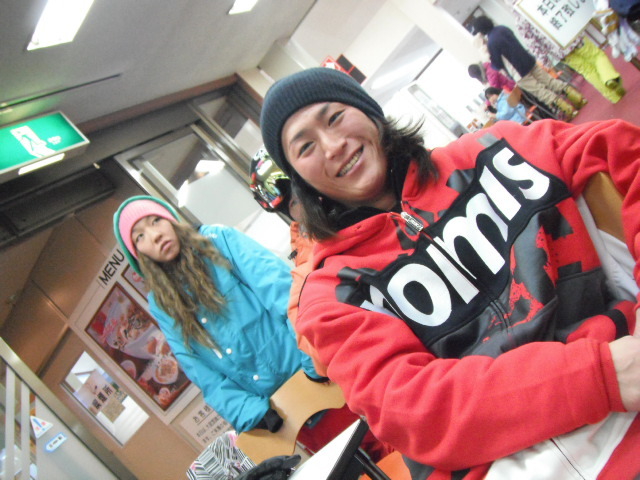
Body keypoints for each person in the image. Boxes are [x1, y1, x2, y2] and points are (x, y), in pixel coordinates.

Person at [259, 67, 640, 479]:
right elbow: (412, 409)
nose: (333, 146)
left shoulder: (492, 151)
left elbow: (622, 153)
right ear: (298, 177)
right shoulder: (330, 296)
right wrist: (601, 376)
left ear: (368, 112)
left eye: (335, 117)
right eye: (306, 147)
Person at [113, 195, 324, 434]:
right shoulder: (160, 304)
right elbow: (199, 369)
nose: (155, 235)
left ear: (170, 219)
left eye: (155, 221)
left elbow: (285, 295)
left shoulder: (217, 240)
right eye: (139, 237)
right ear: (138, 254)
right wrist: (251, 413)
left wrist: (314, 362)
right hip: (282, 412)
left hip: (317, 373)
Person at [249, 148, 393, 460]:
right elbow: (311, 340)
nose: (303, 203)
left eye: (301, 190)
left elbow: (419, 223)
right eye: (292, 201)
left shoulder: (384, 198)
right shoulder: (308, 264)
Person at [471, 15, 586, 119]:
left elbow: (497, 65)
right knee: (550, 81)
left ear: (481, 31)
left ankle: (569, 110)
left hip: (518, 72)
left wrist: (487, 55)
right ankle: (579, 99)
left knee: (541, 92)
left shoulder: (491, 43)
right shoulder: (502, 28)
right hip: (529, 60)